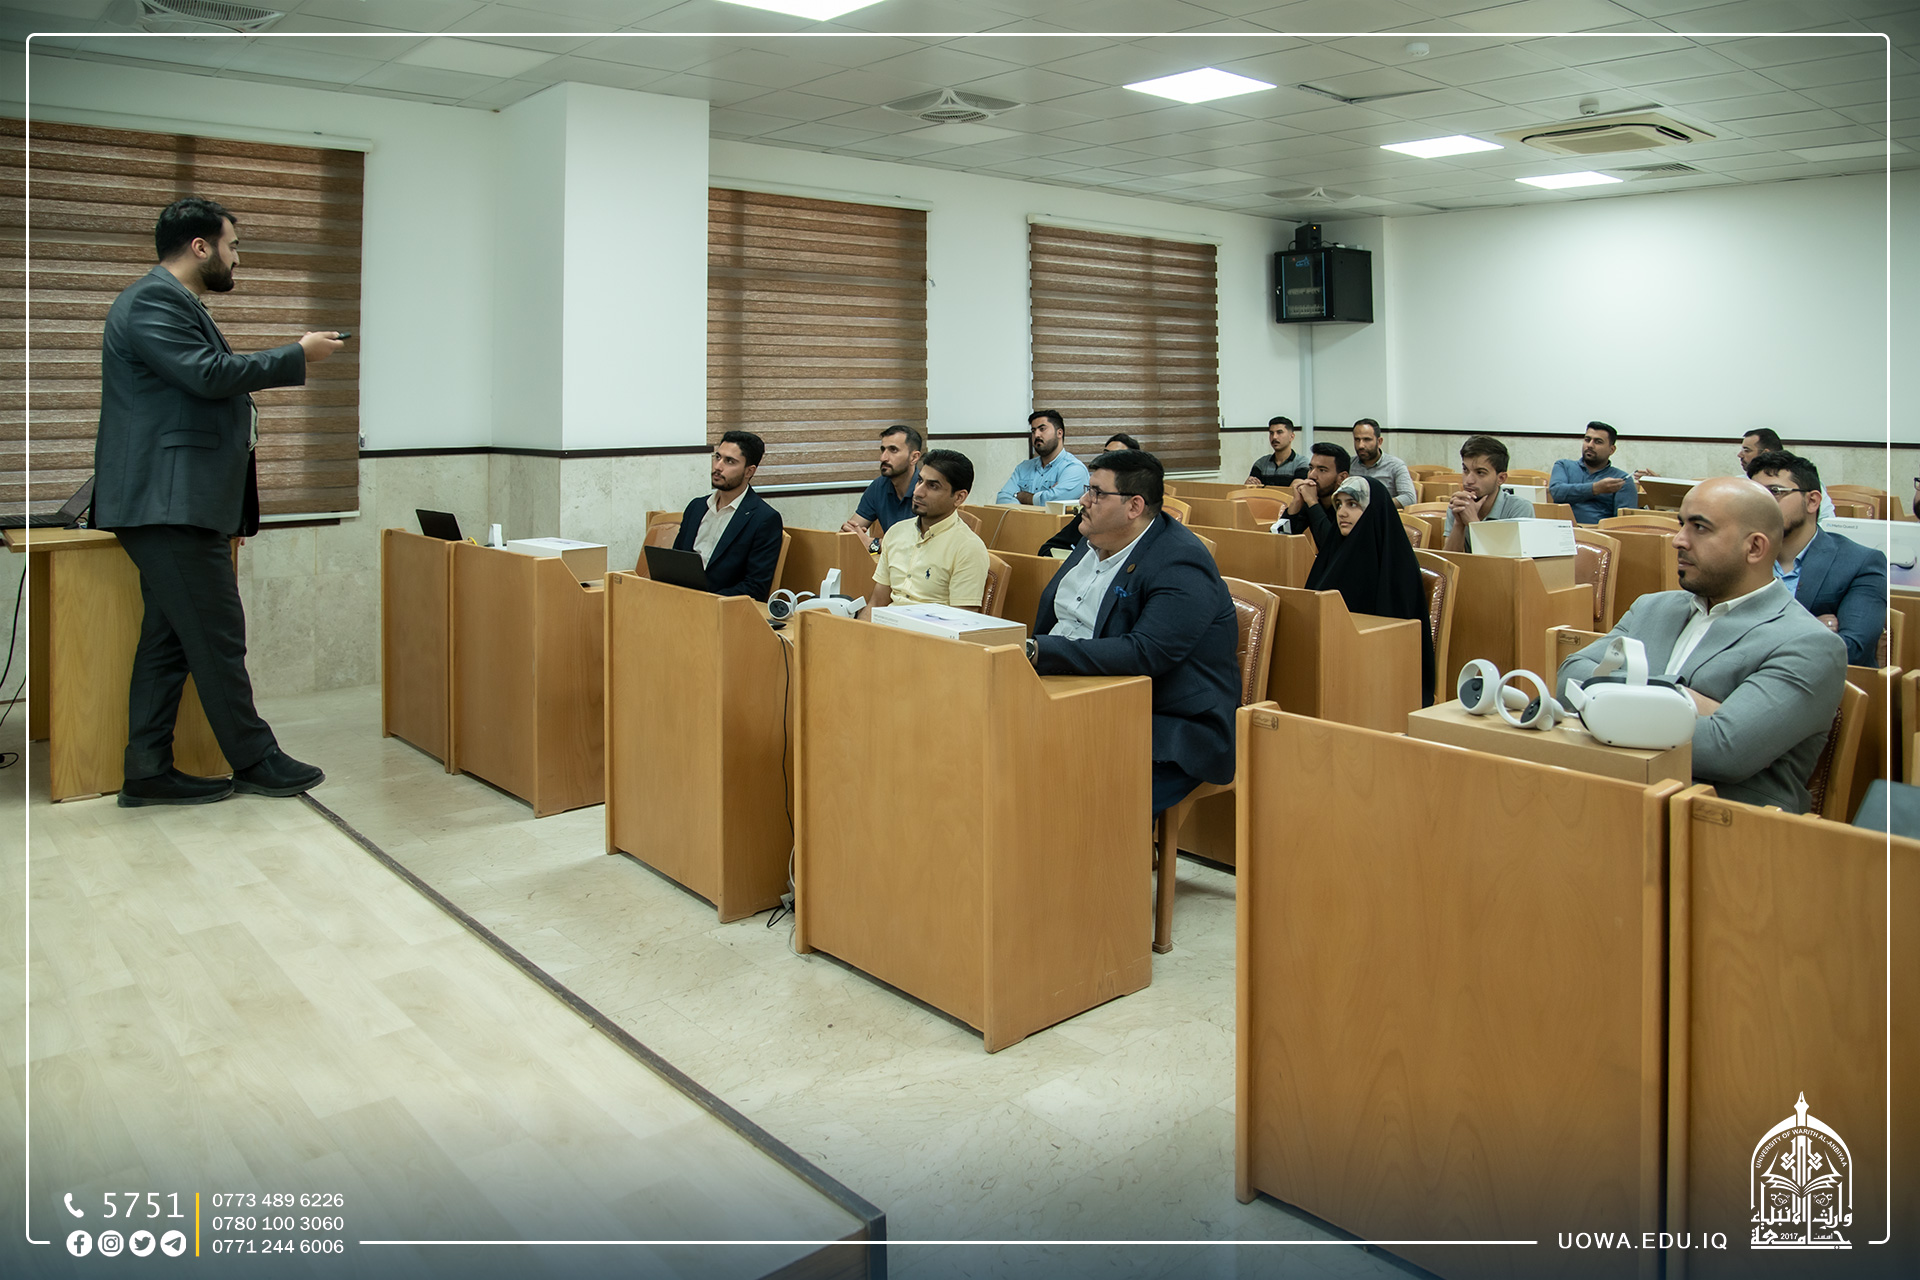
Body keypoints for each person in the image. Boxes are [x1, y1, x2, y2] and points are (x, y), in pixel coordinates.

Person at [93, 196, 342, 807]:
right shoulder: (151, 301)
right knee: (219, 635)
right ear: (200, 246)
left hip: (175, 503)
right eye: (232, 246)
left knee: (171, 640)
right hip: (167, 503)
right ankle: (255, 759)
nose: (237, 258)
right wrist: (297, 355)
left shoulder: (172, 302)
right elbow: (207, 374)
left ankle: (147, 771)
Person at [1556, 477, 1847, 814]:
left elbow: (1724, 751)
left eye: (1700, 528)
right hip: (1615, 797)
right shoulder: (1653, 607)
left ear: (1755, 547)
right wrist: (1684, 698)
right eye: (1682, 524)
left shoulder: (1809, 644)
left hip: (1721, 822)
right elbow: (1569, 679)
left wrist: (1606, 695)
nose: (1678, 540)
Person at [1029, 450, 1240, 815]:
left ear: (1134, 506)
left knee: (1069, 796)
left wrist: (1041, 651)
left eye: (1096, 493)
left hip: (1168, 722)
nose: (1083, 501)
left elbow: (1145, 652)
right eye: (1087, 490)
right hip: (1083, 694)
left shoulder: (1180, 561)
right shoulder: (1094, 537)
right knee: (1001, 752)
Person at [1746, 449, 1888, 667]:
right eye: (1755, 494)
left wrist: (1755, 638)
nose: (1761, 504)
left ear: (1812, 501)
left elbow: (1852, 650)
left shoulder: (1860, 563)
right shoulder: (1739, 556)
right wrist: (1807, 628)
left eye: (1775, 492)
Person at [1301, 476, 1436, 704]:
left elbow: (1397, 634)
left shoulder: (1397, 563)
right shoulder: (1334, 552)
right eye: (1339, 505)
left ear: (1373, 510)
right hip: (1332, 658)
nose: (1342, 513)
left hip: (1380, 673)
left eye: (1353, 504)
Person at [868, 449, 990, 612]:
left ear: (959, 497)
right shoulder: (896, 532)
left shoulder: (968, 548)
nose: (917, 492)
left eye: (933, 486)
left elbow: (962, 621)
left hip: (931, 627)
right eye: (919, 481)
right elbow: (876, 604)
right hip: (886, 624)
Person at [673, 430, 784, 601]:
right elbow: (676, 562)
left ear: (749, 471)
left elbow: (755, 587)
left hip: (721, 607)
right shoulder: (696, 507)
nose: (718, 466)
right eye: (717, 457)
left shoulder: (764, 519)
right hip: (680, 600)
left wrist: (704, 600)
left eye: (729, 461)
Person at [1443, 434, 1533, 550]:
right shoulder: (1459, 504)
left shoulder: (1519, 508)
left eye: (1480, 472)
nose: (1468, 480)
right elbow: (1450, 559)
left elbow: (1506, 560)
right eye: (1465, 470)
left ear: (1501, 478)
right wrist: (1459, 524)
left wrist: (1473, 522)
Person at [840, 424, 921, 546]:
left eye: (893, 450)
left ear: (914, 457)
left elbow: (922, 545)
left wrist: (872, 543)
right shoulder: (878, 486)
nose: (883, 458)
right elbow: (848, 535)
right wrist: (850, 534)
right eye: (883, 450)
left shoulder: (927, 491)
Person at [1549, 422, 1639, 524]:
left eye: (1598, 442)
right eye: (1587, 440)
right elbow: (1557, 492)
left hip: (1598, 532)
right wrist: (1595, 488)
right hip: (1561, 529)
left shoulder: (1620, 480)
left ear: (1611, 450)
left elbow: (1624, 522)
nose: (1590, 445)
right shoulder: (1564, 466)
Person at [996, 409, 1089, 506]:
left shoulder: (1074, 468)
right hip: (1022, 517)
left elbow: (1054, 502)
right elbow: (1002, 498)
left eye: (1042, 429)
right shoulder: (1023, 467)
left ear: (1059, 433)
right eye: (1033, 431)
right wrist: (1028, 508)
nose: (1036, 435)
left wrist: (1023, 497)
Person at [1739, 428, 1833, 519]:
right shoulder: (1740, 483)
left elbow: (1826, 520)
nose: (1740, 455)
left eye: (1775, 491)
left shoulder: (1804, 481)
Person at [1272, 443, 1350, 534]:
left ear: (1342, 478)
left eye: (1322, 470)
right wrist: (1296, 502)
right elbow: (1277, 537)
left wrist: (1312, 502)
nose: (1312, 475)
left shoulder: (1350, 506)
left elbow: (1332, 541)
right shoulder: (1310, 501)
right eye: (1311, 468)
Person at [1348, 419, 1416, 508]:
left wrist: (1375, 505)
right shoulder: (1349, 464)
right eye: (1357, 440)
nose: (1361, 445)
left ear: (1379, 441)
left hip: (1382, 514)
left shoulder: (1395, 465)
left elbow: (1409, 498)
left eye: (1367, 440)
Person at [1245, 416, 1308, 487]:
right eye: (1271, 433)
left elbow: (1294, 490)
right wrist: (1248, 485)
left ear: (1291, 436)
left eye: (1279, 432)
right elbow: (1251, 489)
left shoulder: (1301, 463)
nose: (1274, 437)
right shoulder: (1261, 463)